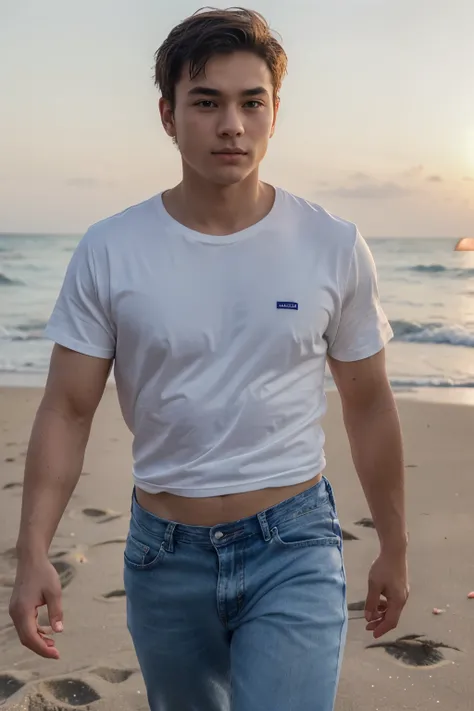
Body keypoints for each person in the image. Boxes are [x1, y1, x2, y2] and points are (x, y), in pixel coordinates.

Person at [9, 8, 409, 711]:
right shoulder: (112, 249)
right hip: (164, 557)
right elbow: (68, 409)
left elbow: (368, 401)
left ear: (275, 112)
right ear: (168, 115)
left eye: (251, 102)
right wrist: (33, 547)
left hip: (293, 542)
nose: (233, 124)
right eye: (207, 102)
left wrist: (395, 546)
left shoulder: (332, 245)